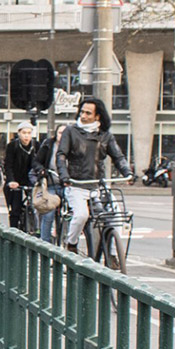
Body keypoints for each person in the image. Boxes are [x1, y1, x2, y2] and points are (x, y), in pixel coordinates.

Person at [53, 97, 130, 251]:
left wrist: (128, 172)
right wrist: (64, 176)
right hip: (76, 185)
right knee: (81, 215)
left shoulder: (105, 136)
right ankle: (71, 244)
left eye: (88, 113)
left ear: (97, 116)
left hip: (97, 187)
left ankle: (114, 255)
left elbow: (118, 157)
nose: (83, 116)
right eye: (82, 112)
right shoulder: (71, 131)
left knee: (115, 215)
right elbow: (61, 155)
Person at [2, 121, 39, 233]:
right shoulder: (12, 146)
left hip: (31, 180)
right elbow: (8, 165)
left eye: (29, 133)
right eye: (24, 133)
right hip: (16, 180)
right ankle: (13, 233)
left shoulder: (36, 146)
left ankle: (36, 229)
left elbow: (40, 163)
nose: (26, 136)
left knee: (37, 205)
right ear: (19, 133)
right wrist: (11, 180)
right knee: (15, 209)